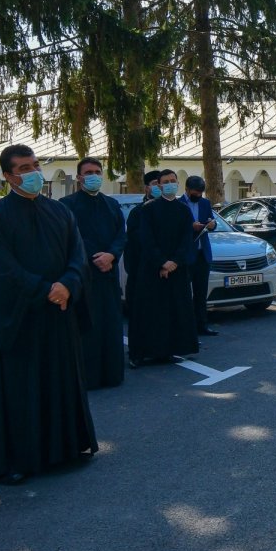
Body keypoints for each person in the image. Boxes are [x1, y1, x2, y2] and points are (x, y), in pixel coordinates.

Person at [0, 144, 97, 484]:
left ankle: (66, 448)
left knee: (60, 381)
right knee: (21, 391)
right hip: (22, 321)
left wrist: (69, 284)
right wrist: (46, 288)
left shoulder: (60, 212)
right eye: (24, 168)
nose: (33, 173)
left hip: (59, 316)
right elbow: (0, 270)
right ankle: (18, 460)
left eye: (35, 165)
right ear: (8, 176)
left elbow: (78, 254)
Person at [60, 157, 127, 389]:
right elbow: (72, 237)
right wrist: (94, 258)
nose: (94, 176)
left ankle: (112, 374)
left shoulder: (111, 204)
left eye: (97, 172)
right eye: (88, 172)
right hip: (83, 276)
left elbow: (121, 234)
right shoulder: (66, 204)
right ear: (79, 177)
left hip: (108, 275)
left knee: (110, 324)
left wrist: (111, 255)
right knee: (88, 327)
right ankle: (87, 377)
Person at [128, 170, 198, 365]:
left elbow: (187, 239)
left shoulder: (184, 210)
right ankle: (140, 354)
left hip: (176, 270)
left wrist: (174, 262)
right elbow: (146, 239)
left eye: (173, 181)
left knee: (174, 311)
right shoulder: (147, 210)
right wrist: (161, 262)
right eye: (165, 182)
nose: (169, 184)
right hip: (152, 270)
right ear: (158, 185)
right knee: (148, 312)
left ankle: (170, 350)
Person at [178, 176, 218, 336]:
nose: (198, 196)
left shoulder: (205, 203)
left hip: (203, 254)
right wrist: (190, 227)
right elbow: (174, 228)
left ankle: (202, 325)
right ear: (187, 190)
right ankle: (186, 327)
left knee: (201, 293)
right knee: (185, 294)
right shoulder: (178, 204)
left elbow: (211, 221)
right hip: (186, 254)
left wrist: (212, 224)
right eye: (195, 193)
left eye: (201, 193)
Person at [124, 170, 163, 309]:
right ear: (147, 188)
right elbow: (134, 242)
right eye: (155, 184)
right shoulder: (137, 212)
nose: (159, 187)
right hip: (143, 269)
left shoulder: (173, 210)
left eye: (161, 184)